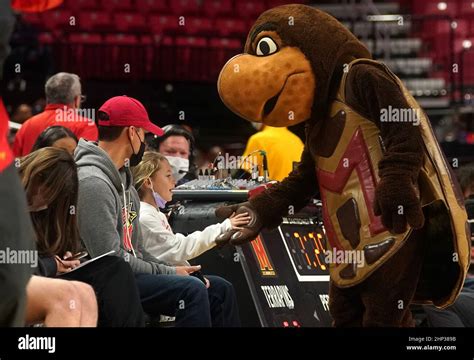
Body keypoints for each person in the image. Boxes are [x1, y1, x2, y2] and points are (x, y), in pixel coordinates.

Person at [75, 95, 221, 327]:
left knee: (219, 289)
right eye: (143, 134)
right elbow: (111, 260)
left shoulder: (126, 182)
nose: (145, 142)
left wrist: (171, 269)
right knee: (191, 290)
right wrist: (169, 273)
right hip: (100, 281)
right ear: (132, 133)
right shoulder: (92, 182)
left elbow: (138, 249)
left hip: (127, 275)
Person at [19, 146, 145, 327]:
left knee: (110, 272)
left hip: (38, 274)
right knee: (68, 297)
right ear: (37, 177)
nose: (46, 205)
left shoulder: (40, 211)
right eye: (49, 194)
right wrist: (51, 264)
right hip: (18, 279)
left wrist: (64, 259)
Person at [133, 151, 247, 326]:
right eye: (168, 175)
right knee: (200, 289)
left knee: (222, 289)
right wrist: (225, 227)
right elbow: (179, 248)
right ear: (148, 182)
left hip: (165, 273)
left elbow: (170, 255)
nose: (174, 181)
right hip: (150, 280)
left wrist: (196, 275)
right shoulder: (144, 216)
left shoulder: (155, 213)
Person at [12, 72, 97, 157]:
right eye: (81, 98)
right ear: (76, 100)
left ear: (48, 97)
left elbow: (14, 165)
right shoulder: (85, 126)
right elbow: (88, 166)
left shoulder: (26, 126)